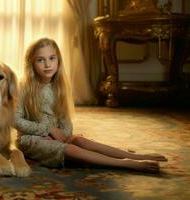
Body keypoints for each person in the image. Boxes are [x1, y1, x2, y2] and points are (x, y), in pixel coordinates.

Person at [14, 37, 167, 173]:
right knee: (71, 149)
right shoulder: (23, 87)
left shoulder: (59, 85)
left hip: (56, 135)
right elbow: (15, 120)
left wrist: (65, 134)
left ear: (58, 60)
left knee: (80, 141)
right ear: (31, 63)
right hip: (31, 138)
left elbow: (65, 118)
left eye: (52, 58)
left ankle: (135, 156)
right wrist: (48, 130)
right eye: (40, 60)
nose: (47, 64)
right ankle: (125, 163)